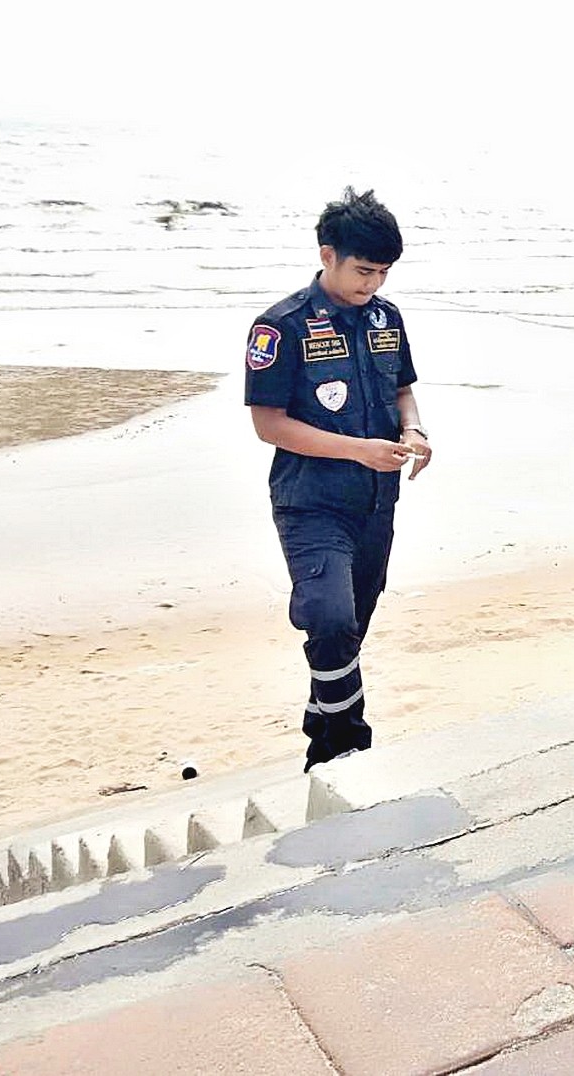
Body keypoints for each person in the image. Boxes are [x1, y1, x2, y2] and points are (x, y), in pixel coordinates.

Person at [244, 188, 432, 770]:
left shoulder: (386, 318)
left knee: (349, 629)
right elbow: (268, 424)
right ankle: (343, 745)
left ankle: (322, 725)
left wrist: (415, 432)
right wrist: (357, 450)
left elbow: (403, 391)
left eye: (383, 273)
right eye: (363, 270)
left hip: (377, 502)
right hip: (310, 502)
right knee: (328, 616)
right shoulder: (281, 326)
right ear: (328, 255)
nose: (372, 283)